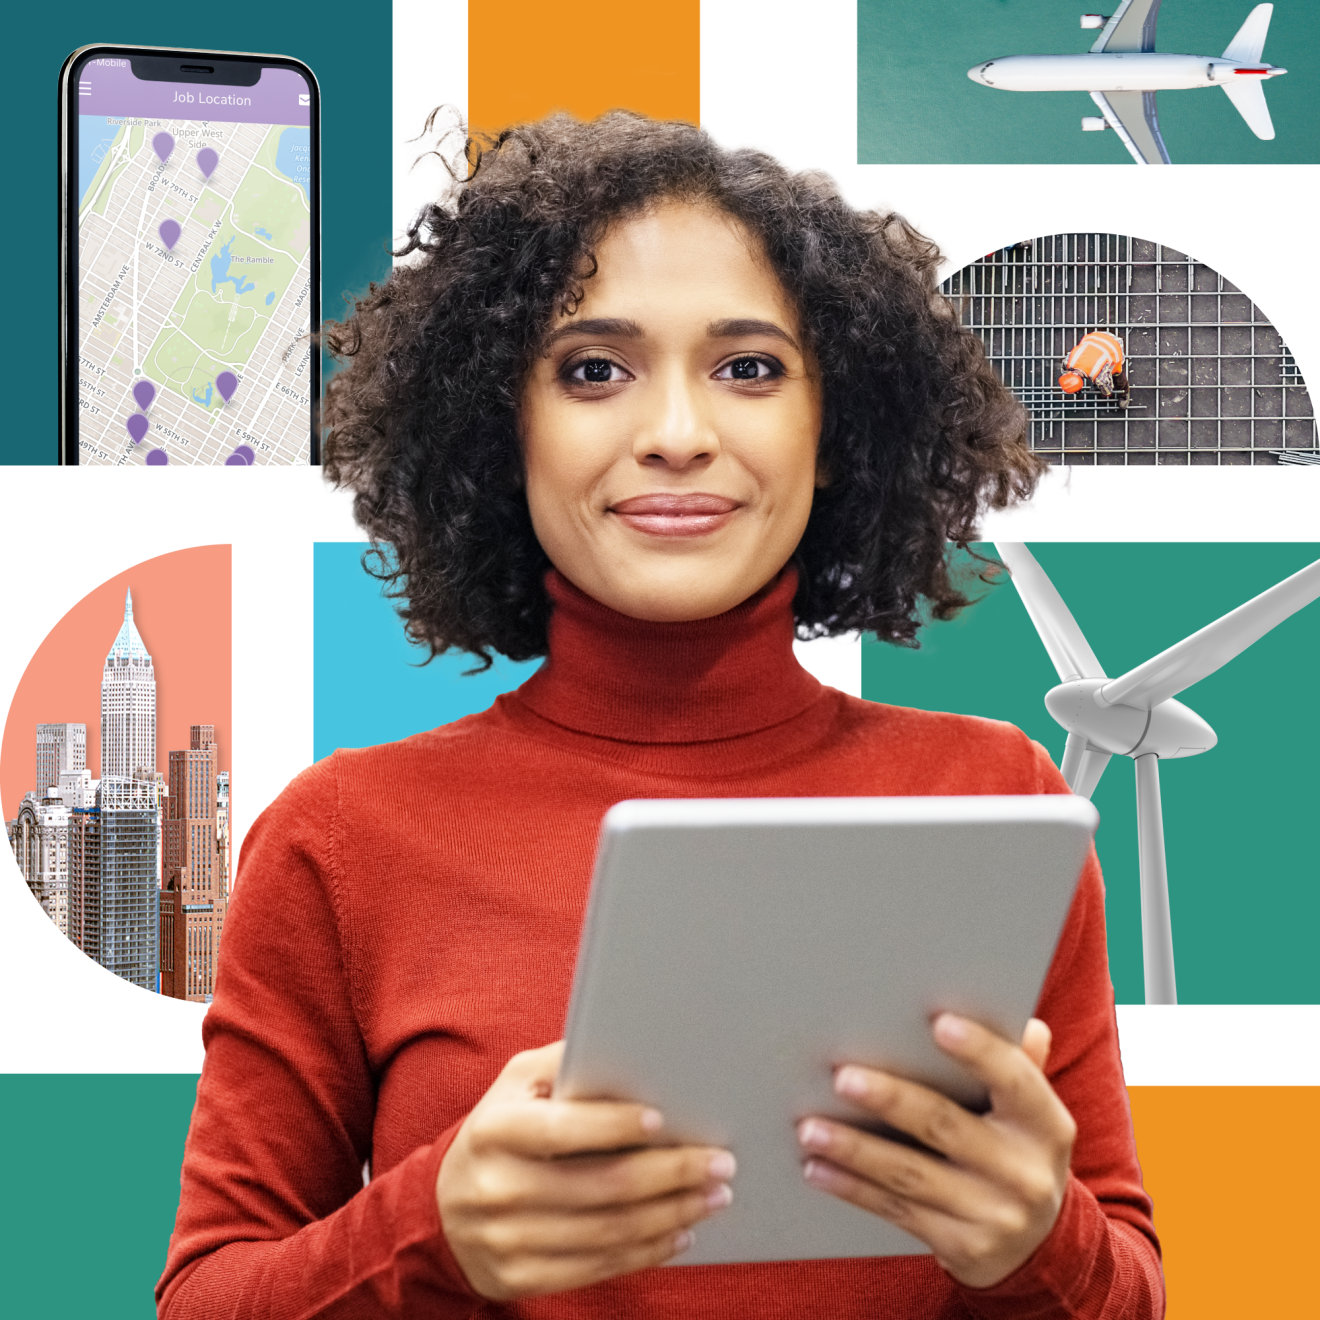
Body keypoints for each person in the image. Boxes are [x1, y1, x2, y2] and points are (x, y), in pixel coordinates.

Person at [157, 114, 1163, 1319]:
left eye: (749, 368)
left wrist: (1039, 1244)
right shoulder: (342, 836)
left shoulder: (996, 801)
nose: (678, 435)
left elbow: (1129, 1292)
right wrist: (430, 1233)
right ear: (502, 425)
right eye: (593, 369)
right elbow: (207, 1296)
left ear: (835, 430)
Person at [1058, 331, 1130, 407]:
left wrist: (1105, 394)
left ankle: (1124, 393)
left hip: (1113, 345)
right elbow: (1065, 371)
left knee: (1117, 374)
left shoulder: (1099, 377)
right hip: (1095, 337)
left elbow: (1107, 390)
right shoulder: (1068, 361)